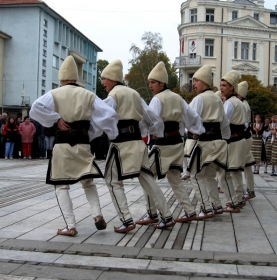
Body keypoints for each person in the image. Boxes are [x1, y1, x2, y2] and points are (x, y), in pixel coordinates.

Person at [30, 55, 118, 236]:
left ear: (61, 79)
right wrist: (93, 132)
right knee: (88, 181)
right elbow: (109, 114)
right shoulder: (88, 94)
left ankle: (70, 226)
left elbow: (35, 109)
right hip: (83, 143)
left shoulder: (55, 93)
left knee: (61, 185)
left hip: (62, 144)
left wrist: (56, 118)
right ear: (75, 78)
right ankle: (97, 215)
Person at [101, 59, 174, 232]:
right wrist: (154, 132)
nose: (102, 82)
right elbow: (152, 117)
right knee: (148, 179)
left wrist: (109, 135)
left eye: (104, 78)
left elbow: (104, 119)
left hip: (121, 144)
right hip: (137, 143)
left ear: (111, 78)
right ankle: (167, 215)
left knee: (112, 180)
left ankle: (126, 220)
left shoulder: (113, 96)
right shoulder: (134, 94)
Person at [136, 61, 205, 225]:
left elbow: (150, 120)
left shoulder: (157, 99)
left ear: (161, 83)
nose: (151, 85)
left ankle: (155, 213)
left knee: (145, 175)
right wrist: (197, 130)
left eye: (153, 82)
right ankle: (189, 211)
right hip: (177, 145)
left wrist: (150, 132)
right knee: (175, 180)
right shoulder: (178, 98)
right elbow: (193, 118)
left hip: (163, 146)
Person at [188, 65, 231, 219]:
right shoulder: (217, 99)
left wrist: (193, 131)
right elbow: (224, 122)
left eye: (196, 81)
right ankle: (217, 205)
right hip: (217, 142)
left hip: (205, 142)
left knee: (195, 175)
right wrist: (226, 136)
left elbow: (190, 118)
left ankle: (206, 208)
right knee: (209, 176)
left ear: (204, 83)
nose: (194, 84)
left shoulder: (200, 99)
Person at [219, 70, 247, 210]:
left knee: (228, 173)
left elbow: (223, 122)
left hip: (233, 141)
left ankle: (235, 201)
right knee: (234, 173)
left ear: (232, 87)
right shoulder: (239, 102)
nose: (221, 87)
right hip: (238, 140)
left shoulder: (230, 103)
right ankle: (238, 199)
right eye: (221, 85)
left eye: (224, 85)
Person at [237, 81, 256, 200]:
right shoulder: (244, 103)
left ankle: (248, 190)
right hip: (246, 137)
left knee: (243, 164)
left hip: (243, 137)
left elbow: (243, 123)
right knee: (247, 165)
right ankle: (250, 189)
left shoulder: (242, 104)